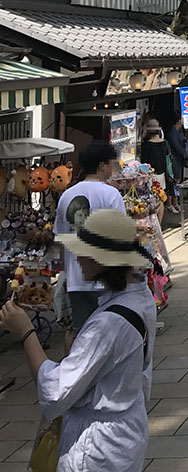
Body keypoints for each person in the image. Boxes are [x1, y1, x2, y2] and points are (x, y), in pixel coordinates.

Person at [0, 209, 156, 472]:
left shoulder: (108, 324)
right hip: (125, 431)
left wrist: (26, 332)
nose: (77, 259)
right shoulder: (140, 298)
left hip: (98, 450)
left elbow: (55, 392)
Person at [54, 140, 126, 350]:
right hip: (106, 278)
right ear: (102, 165)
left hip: (77, 278)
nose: (113, 168)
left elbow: (59, 238)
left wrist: (65, 271)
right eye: (112, 163)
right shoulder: (110, 194)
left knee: (80, 332)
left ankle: (74, 375)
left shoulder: (67, 195)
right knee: (110, 331)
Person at [140, 119, 171, 223]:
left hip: (150, 175)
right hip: (161, 174)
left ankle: (151, 223)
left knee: (150, 199)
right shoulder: (164, 143)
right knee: (160, 199)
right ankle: (160, 223)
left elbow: (143, 162)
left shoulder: (147, 145)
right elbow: (168, 159)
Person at [165, 116, 188, 214]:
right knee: (173, 180)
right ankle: (169, 203)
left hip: (178, 159)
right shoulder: (172, 133)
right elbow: (176, 146)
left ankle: (175, 202)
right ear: (178, 120)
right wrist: (186, 154)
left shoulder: (179, 131)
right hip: (174, 158)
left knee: (177, 180)